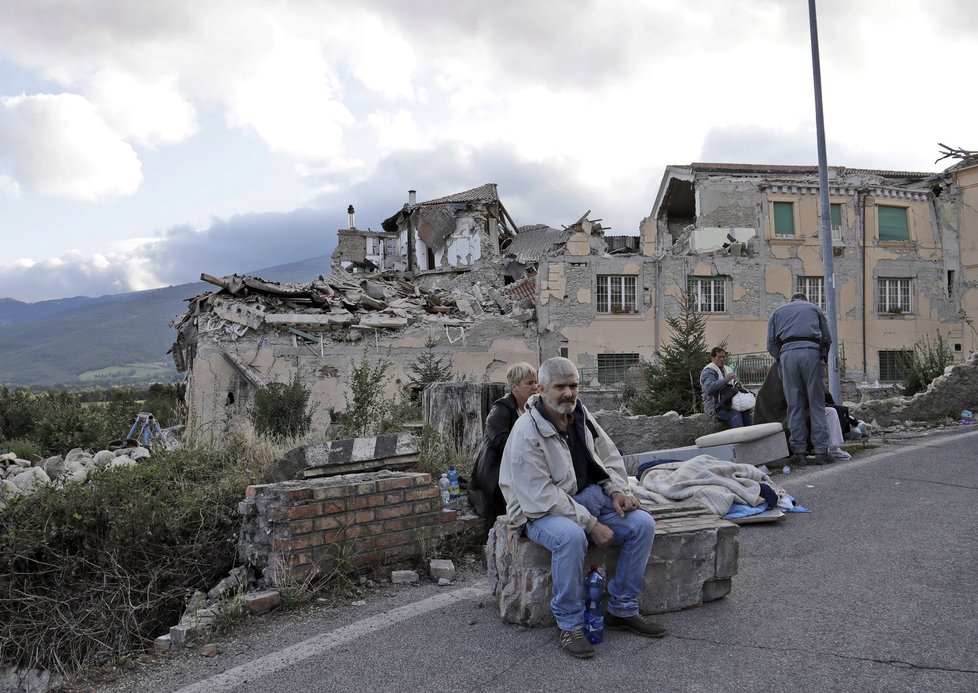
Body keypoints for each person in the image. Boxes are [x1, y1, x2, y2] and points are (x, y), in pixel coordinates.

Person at [499, 357, 666, 659]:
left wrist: (617, 490)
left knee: (642, 524)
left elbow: (607, 454)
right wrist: (590, 524)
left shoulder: (580, 414)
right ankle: (570, 623)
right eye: (559, 387)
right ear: (541, 389)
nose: (568, 393)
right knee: (571, 537)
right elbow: (539, 495)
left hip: (582, 498)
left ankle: (622, 609)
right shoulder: (527, 431)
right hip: (534, 510)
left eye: (573, 386)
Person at [469, 362, 538, 530]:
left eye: (536, 382)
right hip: (497, 469)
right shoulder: (501, 408)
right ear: (514, 387)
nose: (535, 387)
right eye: (529, 383)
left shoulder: (534, 407)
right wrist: (530, 452)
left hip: (523, 465)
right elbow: (499, 440)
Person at [766, 292, 833, 466]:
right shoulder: (814, 309)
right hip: (811, 353)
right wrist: (821, 358)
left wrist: (782, 358)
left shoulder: (778, 312)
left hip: (788, 353)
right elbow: (827, 338)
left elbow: (771, 343)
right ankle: (821, 452)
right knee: (817, 404)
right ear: (805, 300)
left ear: (792, 300)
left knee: (794, 406)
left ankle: (799, 452)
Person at [700, 346, 753, 428]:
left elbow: (733, 383)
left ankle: (751, 436)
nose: (722, 359)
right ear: (713, 358)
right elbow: (709, 388)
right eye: (719, 357)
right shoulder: (709, 371)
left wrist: (737, 384)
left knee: (745, 412)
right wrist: (725, 380)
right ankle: (739, 438)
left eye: (723, 357)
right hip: (715, 406)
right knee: (735, 414)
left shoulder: (726, 369)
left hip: (728, 403)